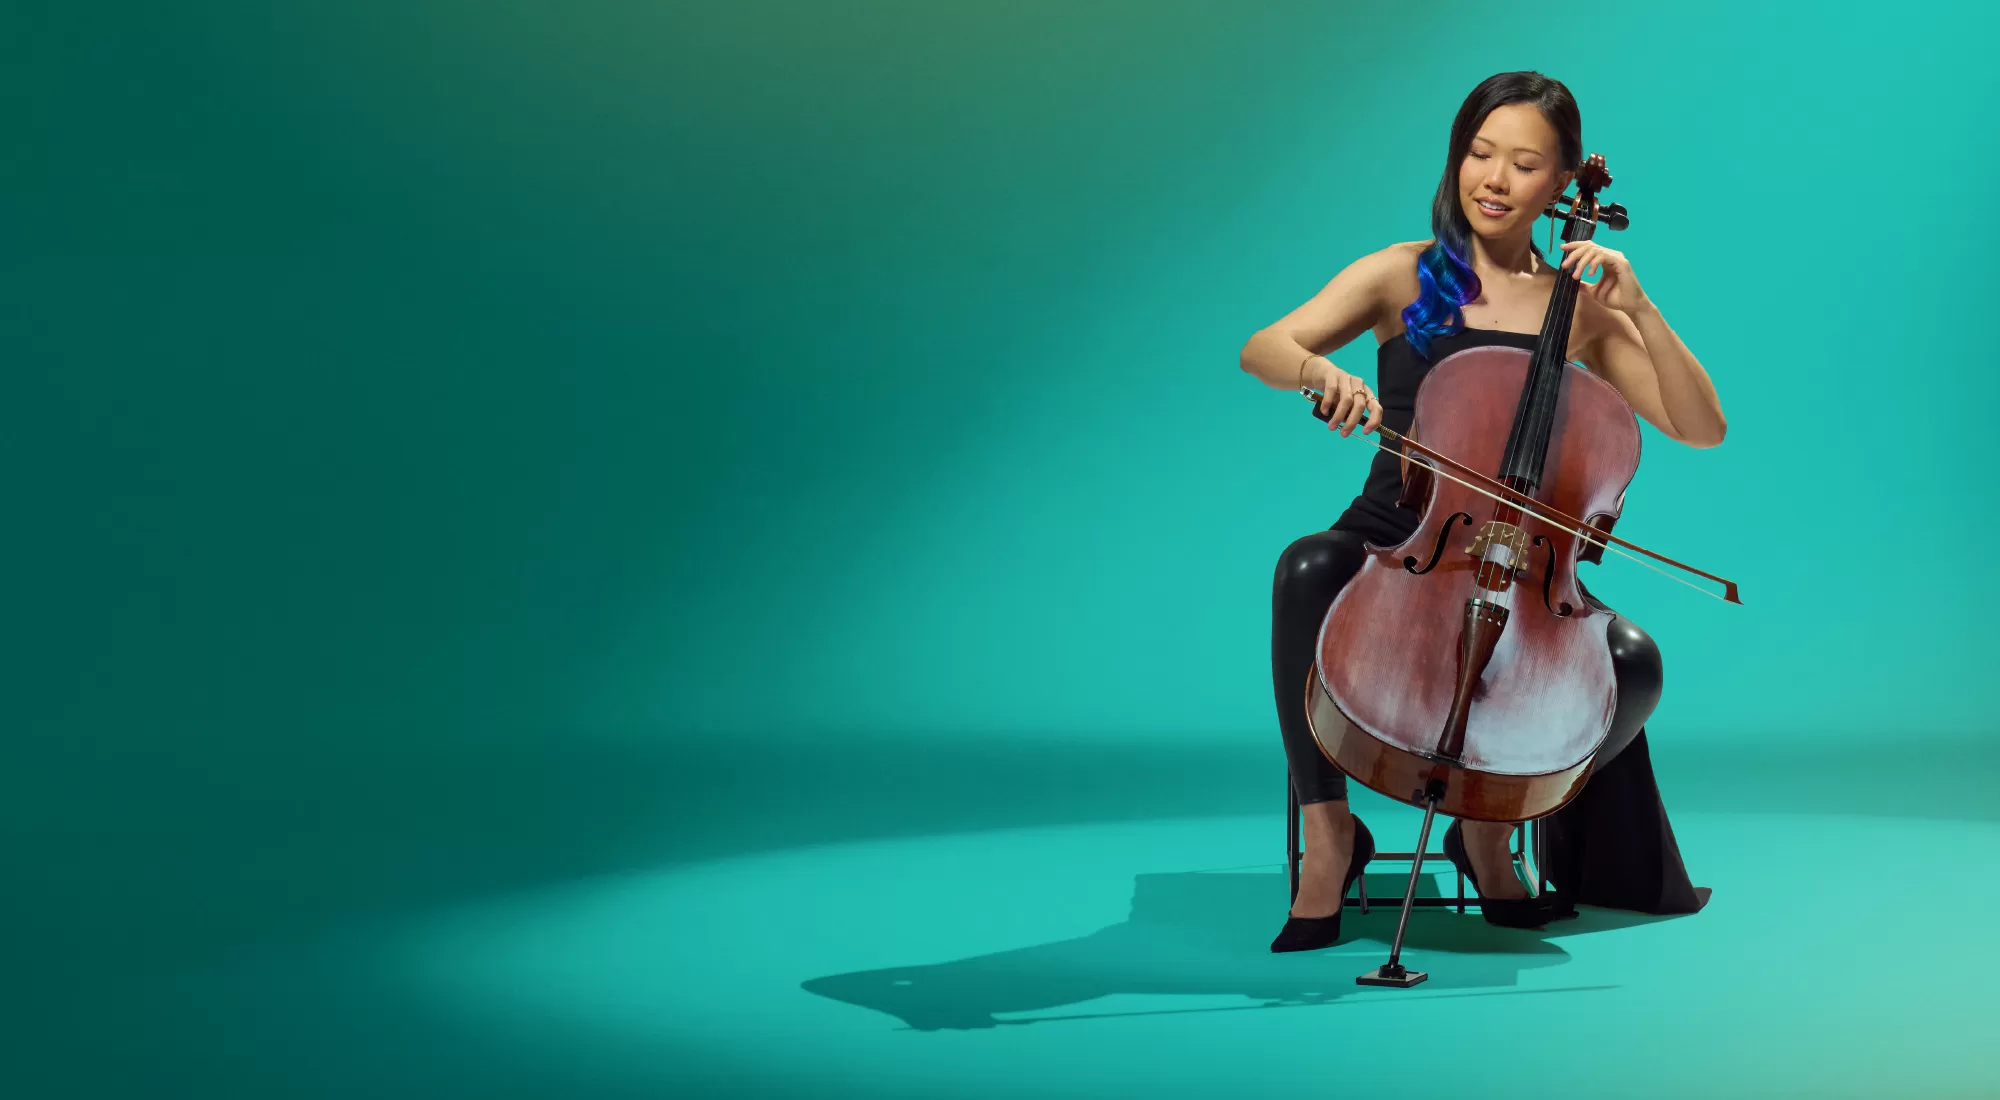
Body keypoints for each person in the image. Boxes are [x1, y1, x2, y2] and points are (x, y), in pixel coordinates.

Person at [1237, 71, 1728, 952]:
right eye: (1479, 153)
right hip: (1401, 534)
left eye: (1525, 164)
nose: (1494, 180)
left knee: (1632, 664)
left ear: (1561, 182)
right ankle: (1330, 837)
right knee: (1305, 569)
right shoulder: (1404, 272)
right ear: (1457, 157)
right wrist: (1326, 373)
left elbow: (1701, 428)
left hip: (1531, 565)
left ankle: (1487, 831)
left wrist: (1641, 309)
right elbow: (1267, 346)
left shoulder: (1577, 310)